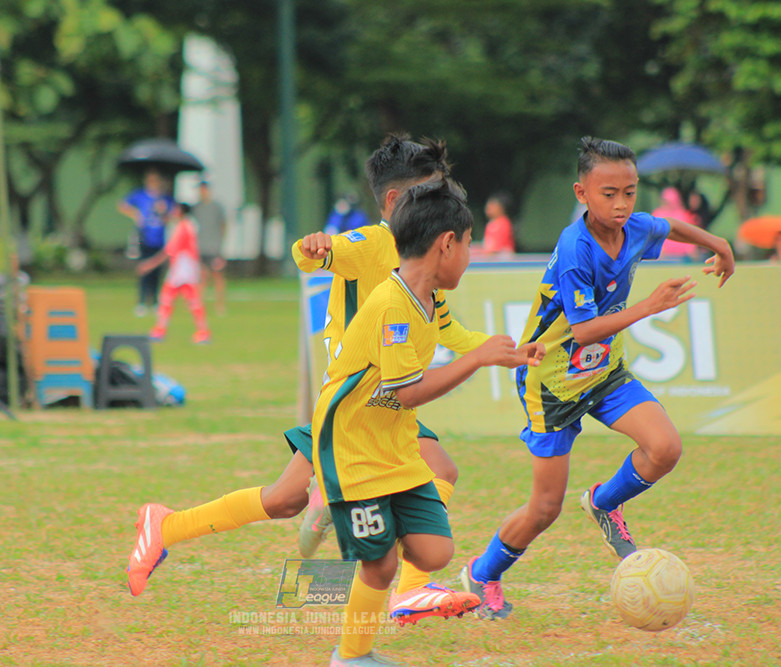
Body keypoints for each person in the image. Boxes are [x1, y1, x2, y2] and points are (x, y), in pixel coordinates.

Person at [124, 135, 540, 626]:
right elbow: (316, 256)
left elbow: (448, 327)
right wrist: (312, 246)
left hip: (376, 408)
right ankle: (399, 594)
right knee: (435, 473)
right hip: (354, 406)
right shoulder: (371, 244)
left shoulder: (422, 262)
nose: (444, 204)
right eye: (432, 193)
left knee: (284, 499)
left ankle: (167, 525)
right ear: (395, 201)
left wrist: (498, 350)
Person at [460, 136, 735, 621]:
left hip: (604, 372)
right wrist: (650, 305)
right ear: (581, 193)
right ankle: (482, 575)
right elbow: (583, 330)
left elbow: (668, 224)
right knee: (545, 509)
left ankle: (604, 503)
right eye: (609, 194)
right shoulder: (575, 248)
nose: (622, 204)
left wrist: (719, 244)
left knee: (665, 449)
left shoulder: (634, 227)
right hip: (553, 383)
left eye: (630, 192)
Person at [318, 178, 539, 666]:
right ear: (446, 244)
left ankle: (355, 523)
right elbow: (406, 392)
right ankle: (351, 656)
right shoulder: (393, 305)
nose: (470, 255)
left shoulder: (428, 298)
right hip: (353, 445)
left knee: (436, 552)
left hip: (392, 439)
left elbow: (451, 343)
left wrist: (505, 353)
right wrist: (478, 360)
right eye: (468, 244)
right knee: (381, 564)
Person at [138, 203, 211, 345]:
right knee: (185, 299)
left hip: (182, 267)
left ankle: (161, 331)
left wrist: (149, 265)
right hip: (186, 266)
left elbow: (170, 250)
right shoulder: (188, 225)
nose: (173, 212)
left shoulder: (183, 227)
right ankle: (201, 332)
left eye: (175, 210)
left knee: (170, 297)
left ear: (181, 212)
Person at [118, 168, 174, 316]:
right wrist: (135, 215)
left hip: (159, 239)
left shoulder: (164, 198)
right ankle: (142, 301)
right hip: (144, 237)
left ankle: (154, 301)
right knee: (143, 269)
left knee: (157, 271)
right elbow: (122, 204)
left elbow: (173, 214)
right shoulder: (140, 195)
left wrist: (163, 212)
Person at [191, 181, 228, 315]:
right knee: (202, 276)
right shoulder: (196, 208)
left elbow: (223, 225)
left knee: (218, 276)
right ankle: (200, 304)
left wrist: (220, 242)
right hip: (201, 247)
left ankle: (220, 305)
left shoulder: (216, 207)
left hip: (214, 247)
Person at [653, 187, 698, 260]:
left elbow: (690, 234)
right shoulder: (657, 214)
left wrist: (692, 249)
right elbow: (654, 235)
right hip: (663, 257)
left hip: (683, 257)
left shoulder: (684, 214)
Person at [479, 191, 515, 257]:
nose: (488, 207)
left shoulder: (503, 223)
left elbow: (495, 249)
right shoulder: (491, 224)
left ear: (501, 207)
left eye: (492, 205)